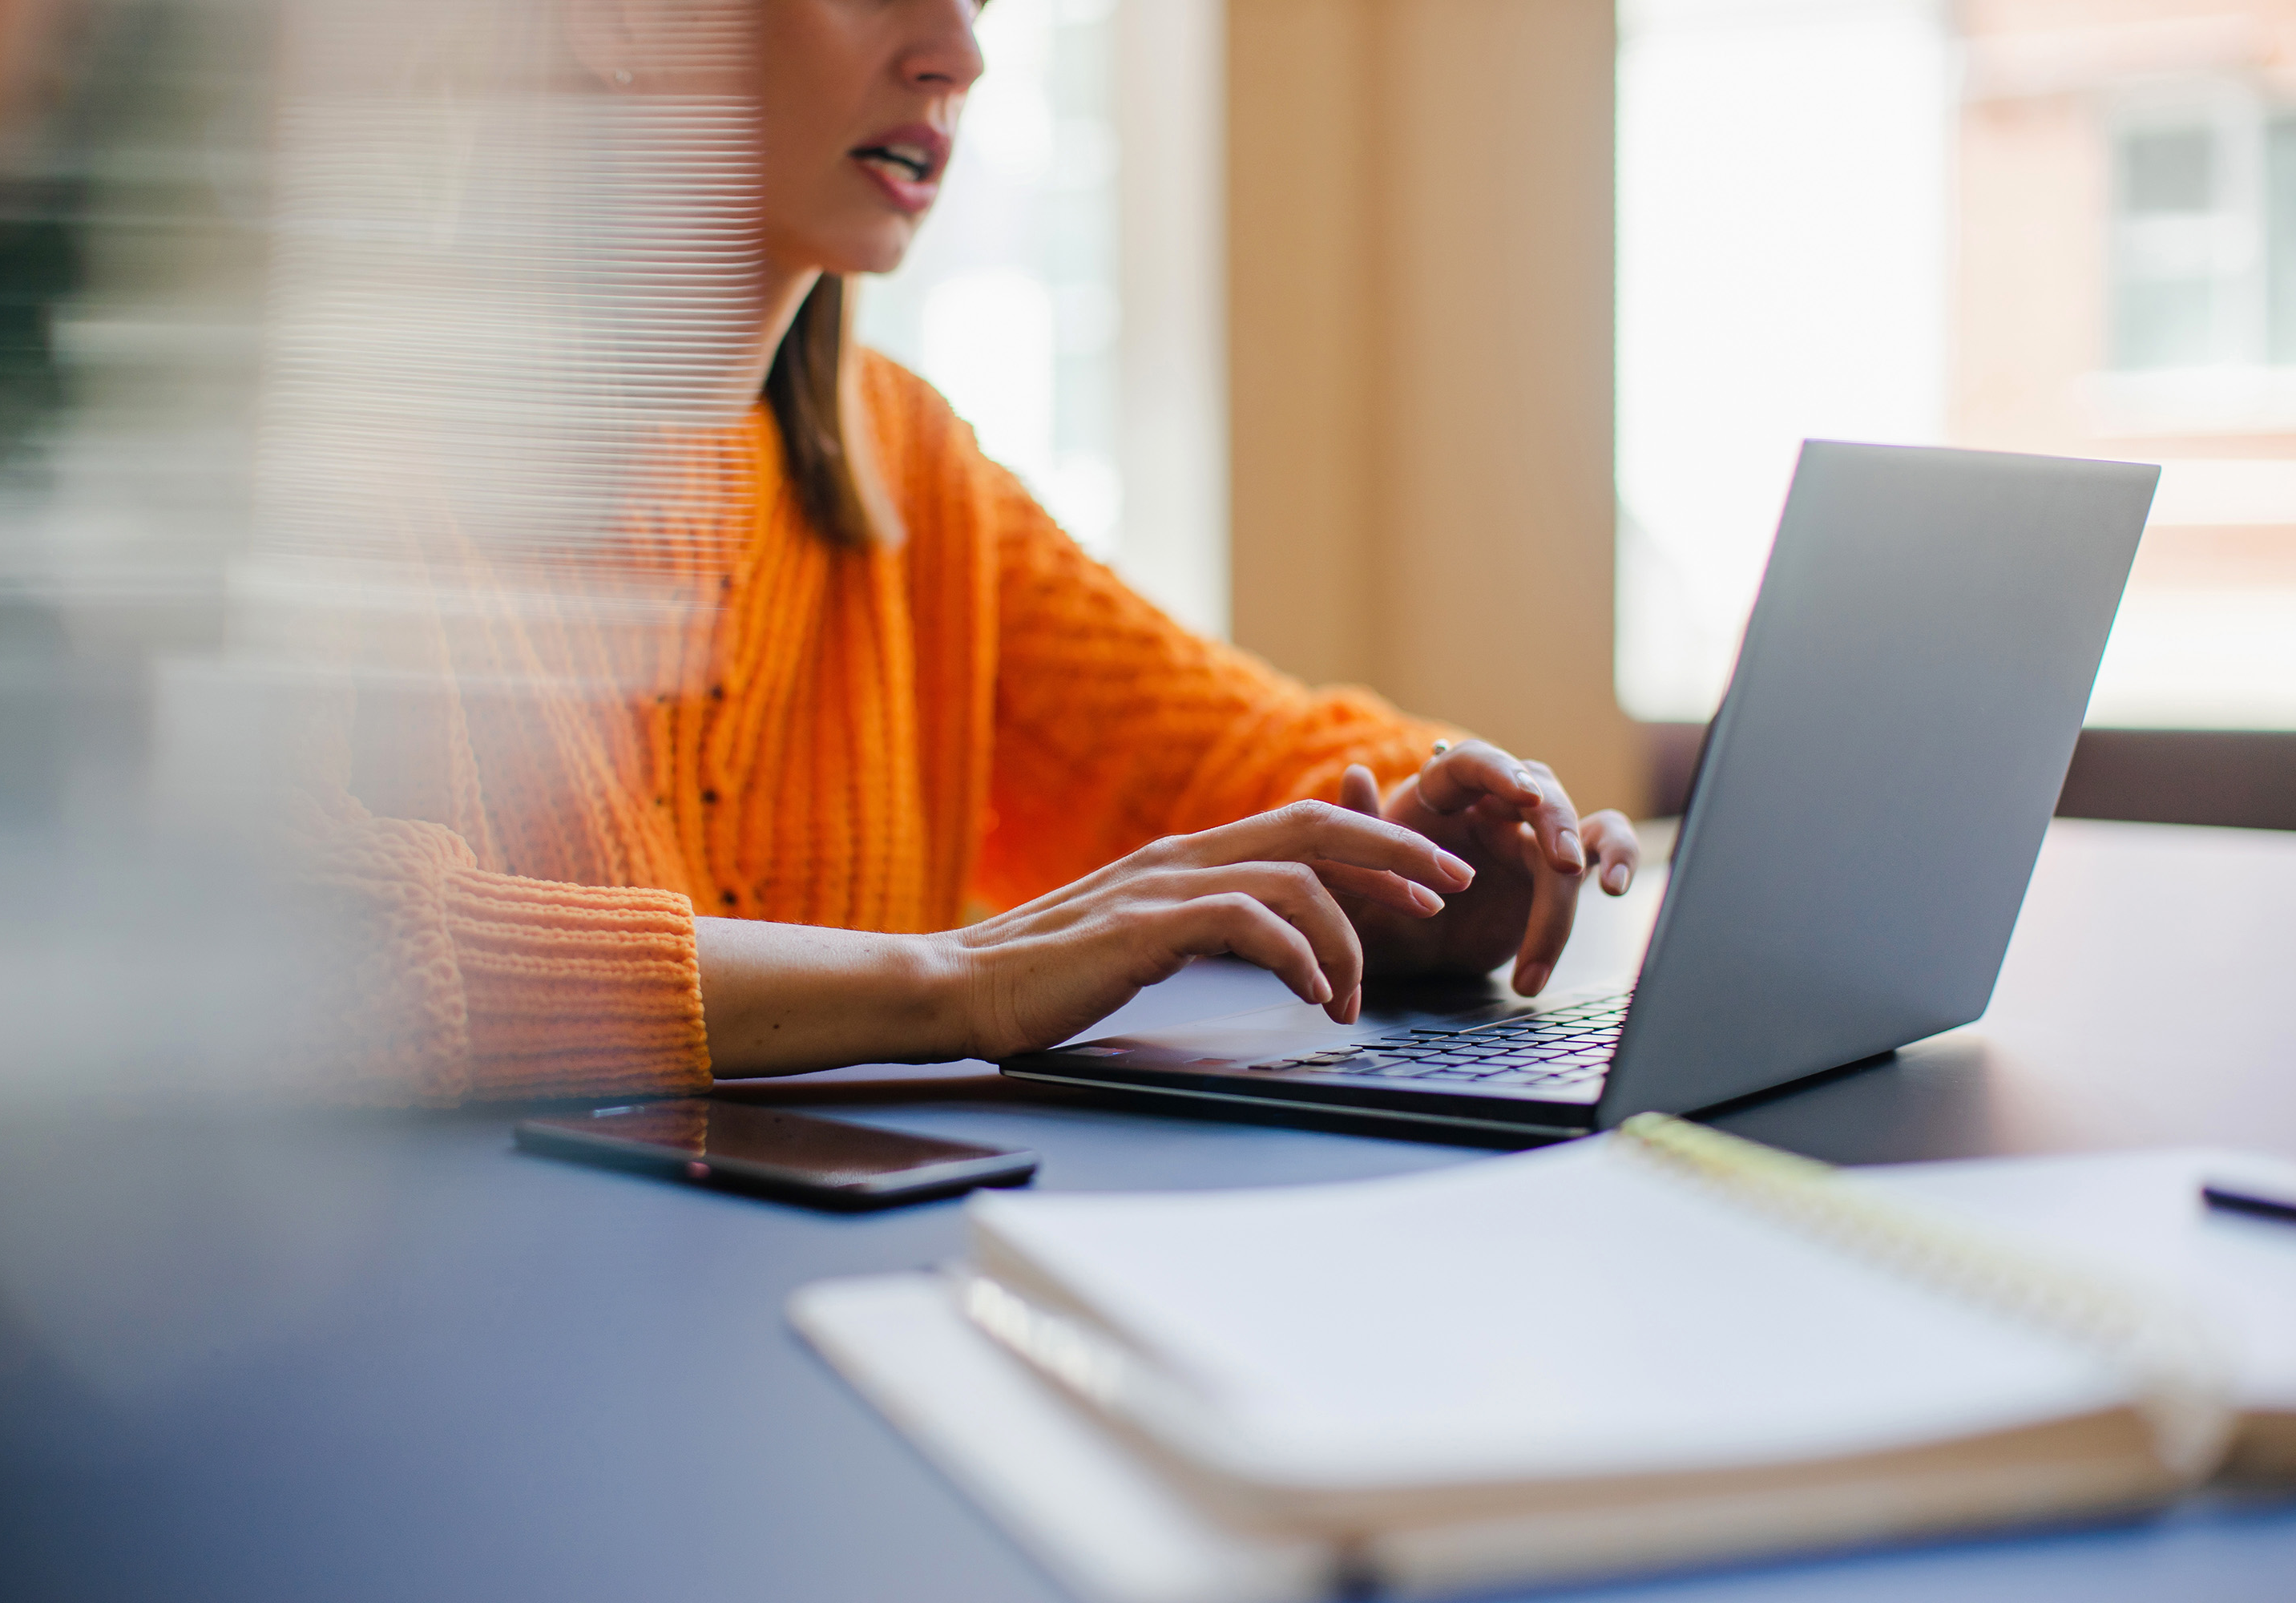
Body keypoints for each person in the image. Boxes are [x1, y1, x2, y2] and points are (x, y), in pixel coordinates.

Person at [298, 0, 1640, 1106]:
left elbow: (1217, 760)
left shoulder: (908, 471)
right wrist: (954, 983)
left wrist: (1419, 869)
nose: (960, 49)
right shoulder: (321, 454)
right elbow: (299, 950)